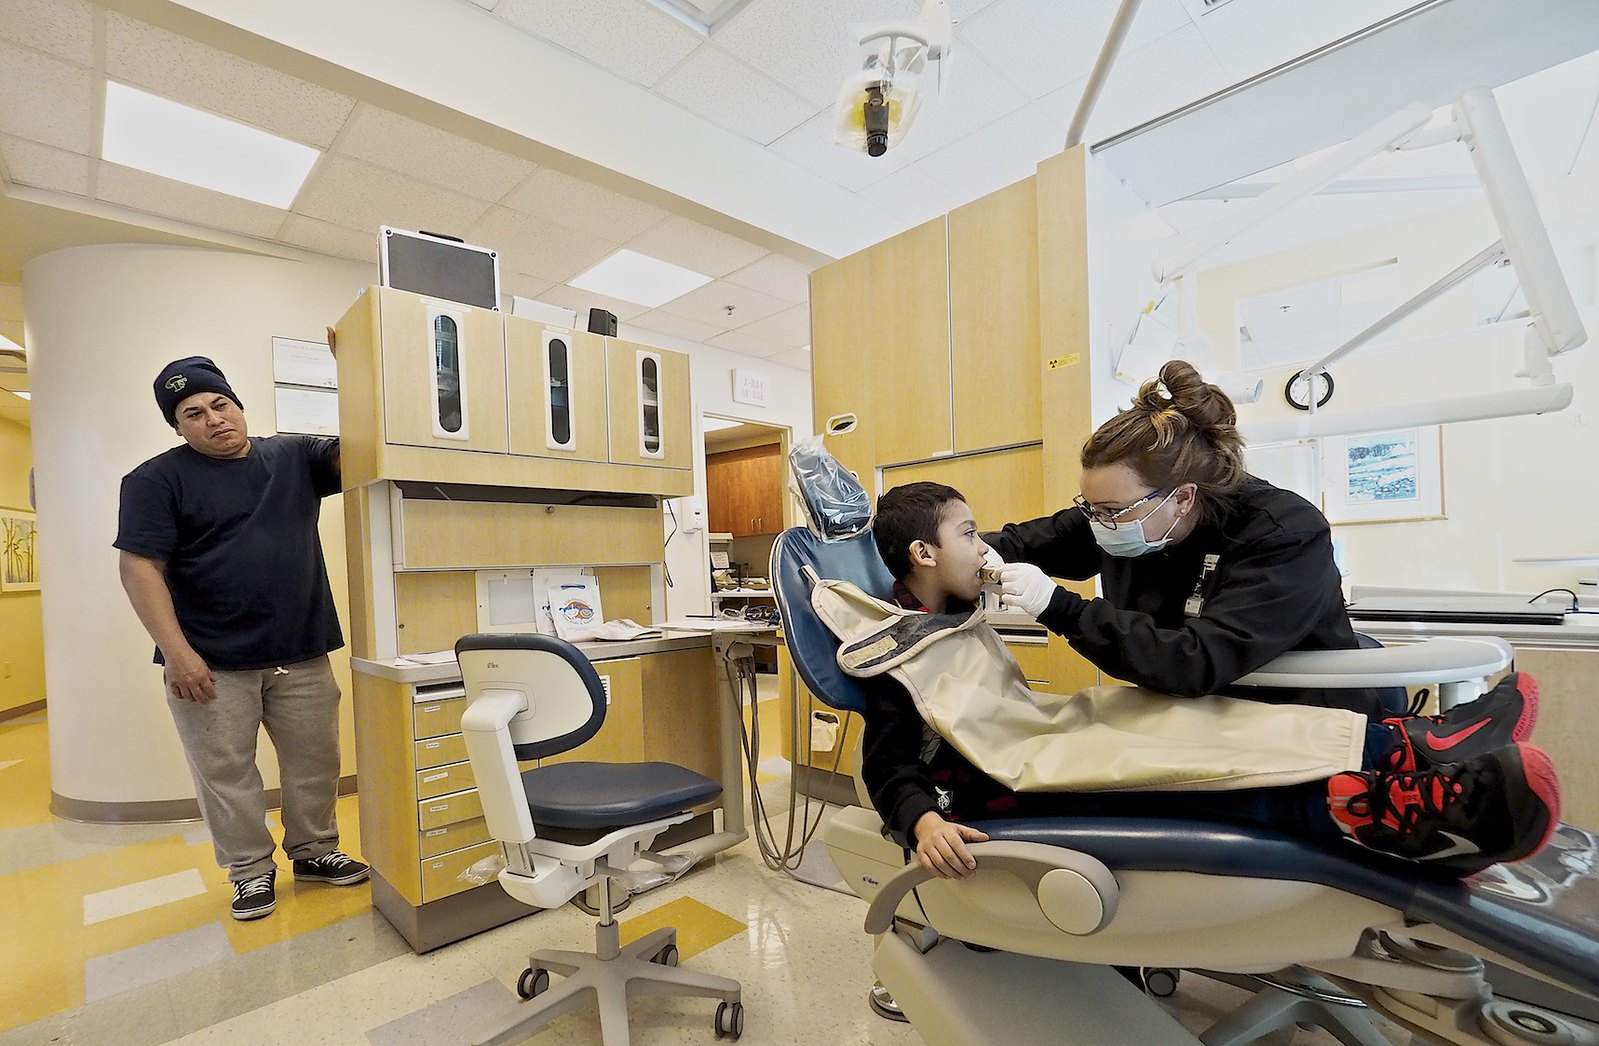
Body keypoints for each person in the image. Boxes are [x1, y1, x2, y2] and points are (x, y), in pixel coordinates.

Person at [859, 481, 1560, 881]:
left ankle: (1401, 750)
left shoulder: (955, 618)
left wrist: (1006, 577)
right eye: (969, 535)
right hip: (996, 783)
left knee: (1190, 722)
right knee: (1182, 763)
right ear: (924, 553)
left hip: (1032, 741)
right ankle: (1377, 811)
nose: (987, 548)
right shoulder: (901, 649)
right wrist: (920, 817)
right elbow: (887, 761)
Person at [986, 359, 1391, 716]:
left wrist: (1057, 608)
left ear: (1182, 498)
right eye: (1091, 508)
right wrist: (948, 546)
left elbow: (1195, 661)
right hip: (1192, 713)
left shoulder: (1284, 532)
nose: (1096, 521)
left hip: (1298, 719)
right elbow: (1019, 543)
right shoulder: (1121, 513)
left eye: (1110, 511)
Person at [116, 356, 369, 921]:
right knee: (226, 775)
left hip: (301, 652)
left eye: (220, 404)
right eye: (194, 413)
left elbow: (369, 446)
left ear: (238, 404)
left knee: (316, 764)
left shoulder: (295, 456)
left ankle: (314, 852)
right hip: (210, 663)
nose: (214, 419)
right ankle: (251, 871)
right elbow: (139, 569)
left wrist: (354, 360)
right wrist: (177, 655)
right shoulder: (154, 480)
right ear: (178, 426)